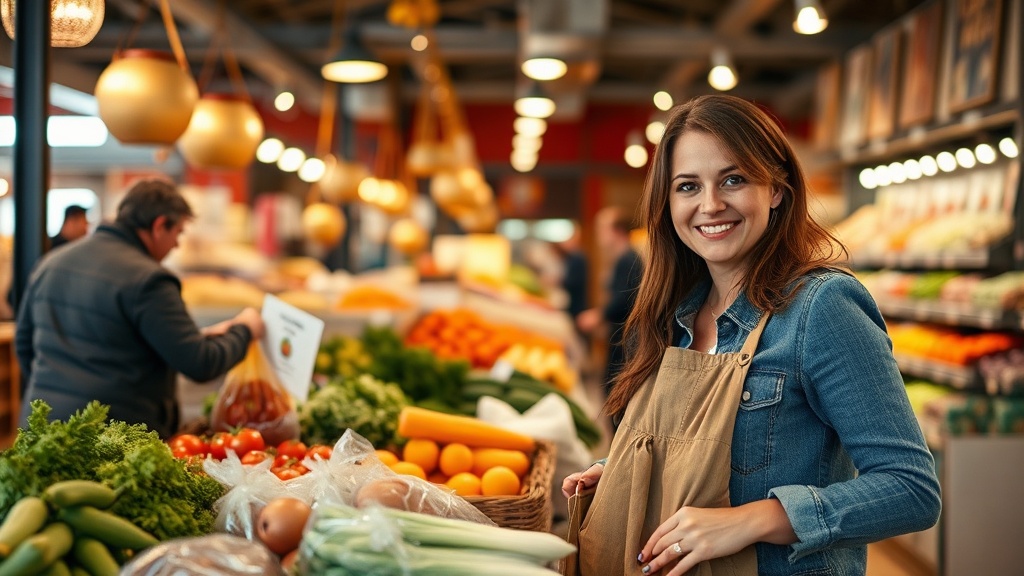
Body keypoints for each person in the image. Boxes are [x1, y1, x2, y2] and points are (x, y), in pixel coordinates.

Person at [561, 95, 940, 576]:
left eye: (733, 179)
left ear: (776, 188)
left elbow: (911, 489)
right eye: (688, 186)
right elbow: (701, 455)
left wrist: (756, 519)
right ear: (667, 203)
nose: (710, 205)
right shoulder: (672, 315)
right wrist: (621, 470)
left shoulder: (821, 307)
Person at [16, 179, 265, 438]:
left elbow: (24, 345)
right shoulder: (150, 279)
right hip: (112, 438)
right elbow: (200, 363)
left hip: (44, 432)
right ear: (159, 225)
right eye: (178, 233)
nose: (177, 245)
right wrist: (245, 330)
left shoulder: (50, 264)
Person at [576, 206, 643, 397]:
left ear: (617, 231)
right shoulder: (623, 258)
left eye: (602, 228)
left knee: (614, 389)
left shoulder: (628, 260)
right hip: (619, 334)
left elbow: (624, 299)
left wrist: (599, 316)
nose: (598, 234)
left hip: (626, 338)